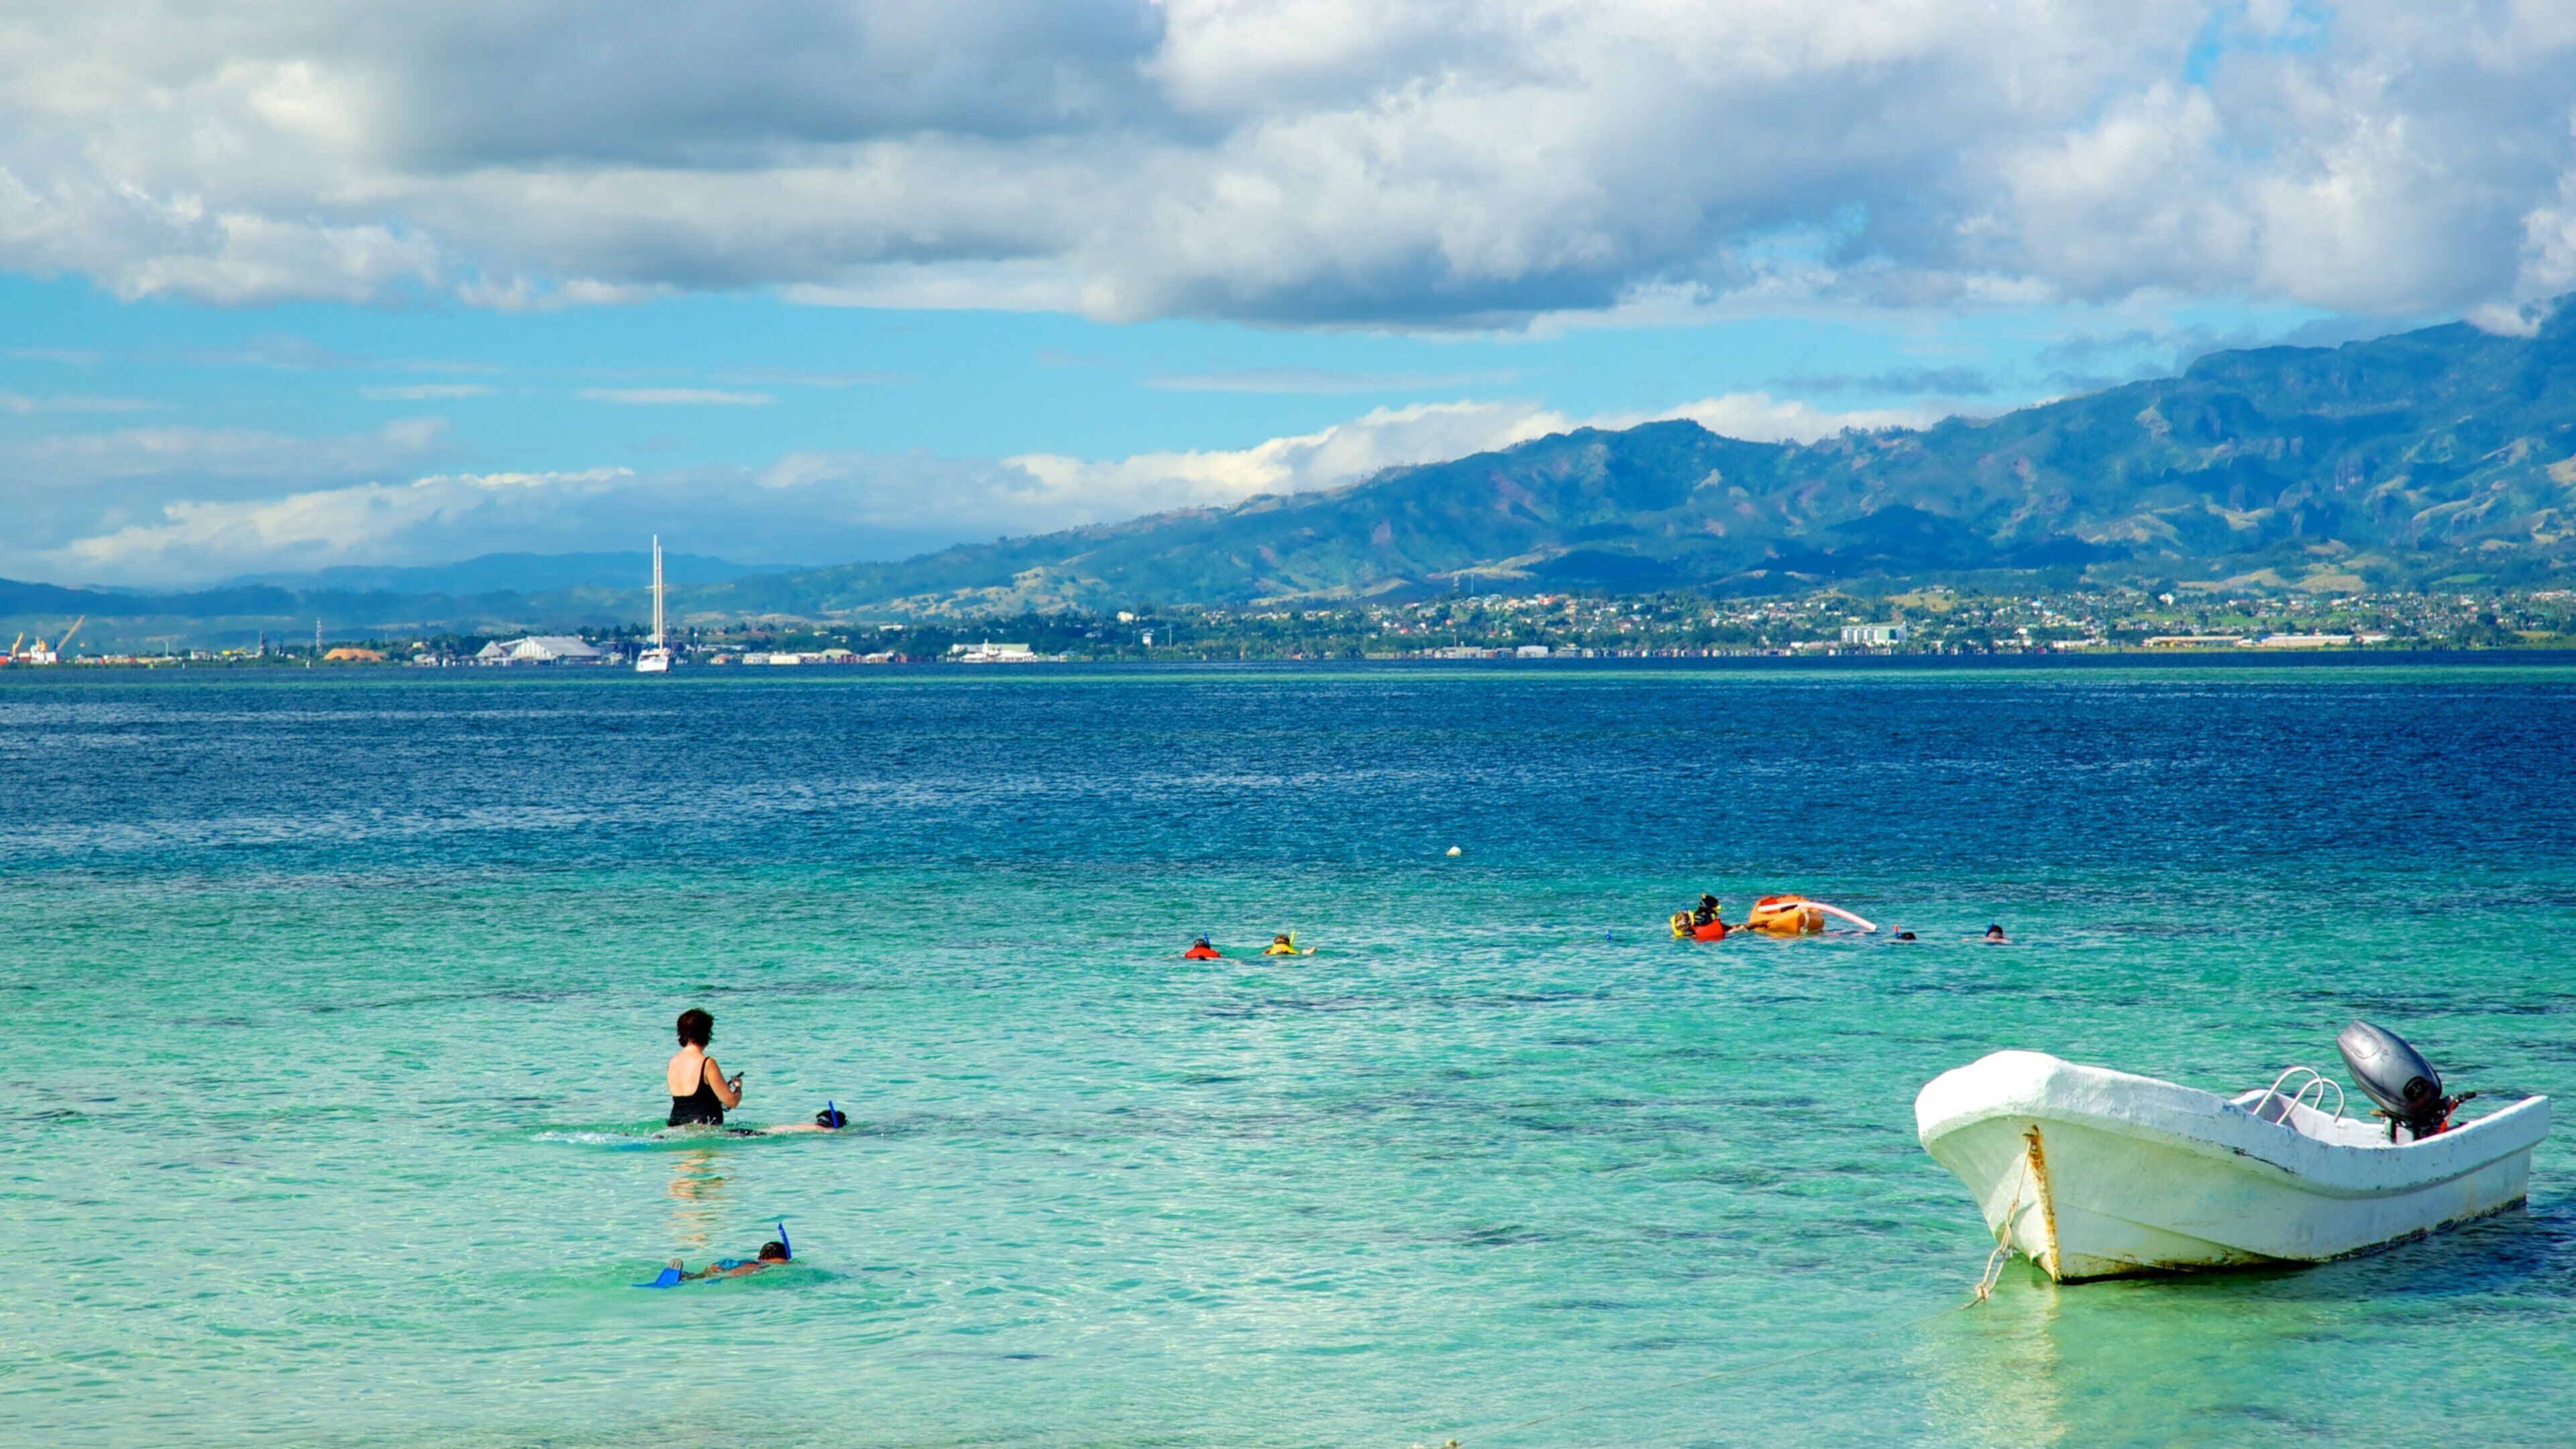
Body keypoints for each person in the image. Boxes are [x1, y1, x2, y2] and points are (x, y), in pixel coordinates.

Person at [667, 1008, 743, 1127]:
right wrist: (738, 1088)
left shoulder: (673, 1062)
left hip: (675, 1124)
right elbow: (731, 1102)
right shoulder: (707, 1063)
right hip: (703, 1127)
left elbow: (691, 1098)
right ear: (705, 1033)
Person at [666, 1240, 789, 1282]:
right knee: (723, 1277)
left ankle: (686, 1276)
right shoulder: (777, 1261)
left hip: (729, 1262)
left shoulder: (756, 1259)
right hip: (747, 1266)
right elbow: (782, 1262)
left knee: (707, 1273)